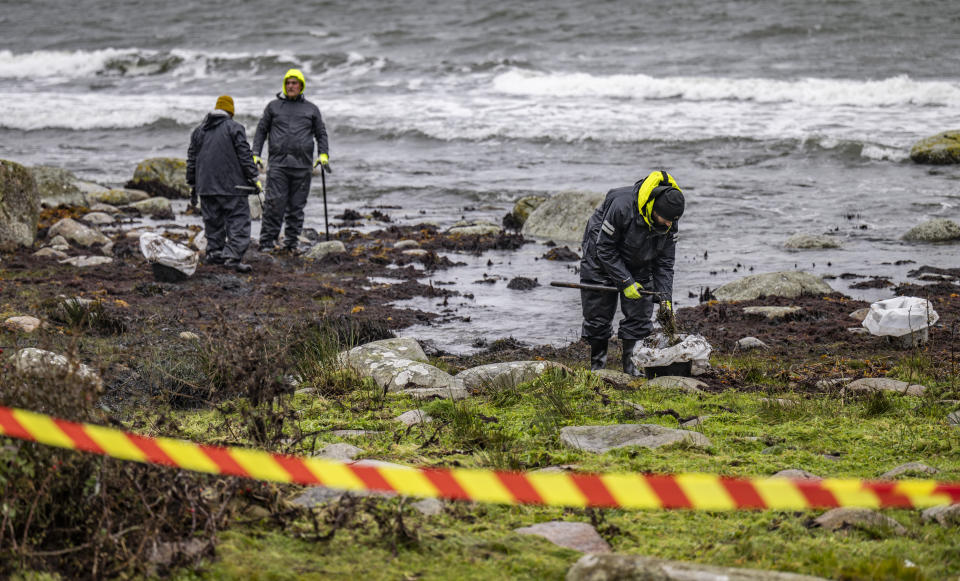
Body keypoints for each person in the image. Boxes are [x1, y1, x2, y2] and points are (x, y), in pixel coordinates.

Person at [579, 170, 686, 376]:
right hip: (600, 254)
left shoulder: (669, 218)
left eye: (672, 222)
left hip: (641, 258)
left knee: (639, 315)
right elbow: (605, 249)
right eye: (664, 220)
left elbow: (664, 263)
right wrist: (625, 281)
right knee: (598, 314)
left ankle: (631, 368)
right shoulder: (622, 206)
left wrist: (665, 298)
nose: (669, 225)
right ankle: (598, 366)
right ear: (652, 207)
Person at [252, 68, 330, 253]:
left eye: (295, 83)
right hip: (278, 165)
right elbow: (261, 130)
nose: (291, 86)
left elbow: (321, 133)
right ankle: (267, 243)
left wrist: (323, 154)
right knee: (274, 204)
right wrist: (256, 152)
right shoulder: (273, 107)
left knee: (296, 207)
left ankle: (291, 244)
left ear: (301, 86)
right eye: (288, 83)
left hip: (302, 167)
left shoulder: (311, 109)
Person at [186, 95, 261, 273]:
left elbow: (191, 159)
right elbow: (245, 155)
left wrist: (192, 183)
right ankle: (233, 258)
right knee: (238, 221)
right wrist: (253, 177)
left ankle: (214, 253)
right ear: (231, 112)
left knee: (213, 222)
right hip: (232, 187)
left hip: (205, 187)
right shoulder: (235, 128)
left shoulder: (199, 131)